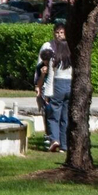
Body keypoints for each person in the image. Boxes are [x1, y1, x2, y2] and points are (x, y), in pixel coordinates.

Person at [34, 23, 72, 153]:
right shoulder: (70, 57)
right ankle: (64, 145)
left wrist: (47, 95)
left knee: (52, 115)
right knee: (65, 116)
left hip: (58, 85)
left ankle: (55, 140)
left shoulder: (54, 59)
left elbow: (50, 78)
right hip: (70, 85)